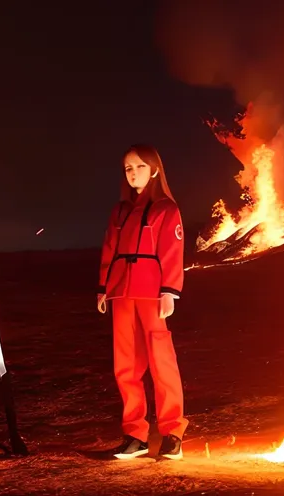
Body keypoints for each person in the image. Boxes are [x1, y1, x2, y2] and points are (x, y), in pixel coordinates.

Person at [97, 143, 188, 460]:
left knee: (161, 361)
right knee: (125, 366)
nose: (132, 173)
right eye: (127, 168)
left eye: (138, 166)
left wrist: (169, 290)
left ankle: (172, 432)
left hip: (152, 293)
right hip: (121, 292)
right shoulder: (120, 211)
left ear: (154, 170)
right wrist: (102, 288)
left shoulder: (166, 209)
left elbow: (172, 252)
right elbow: (109, 249)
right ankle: (135, 435)